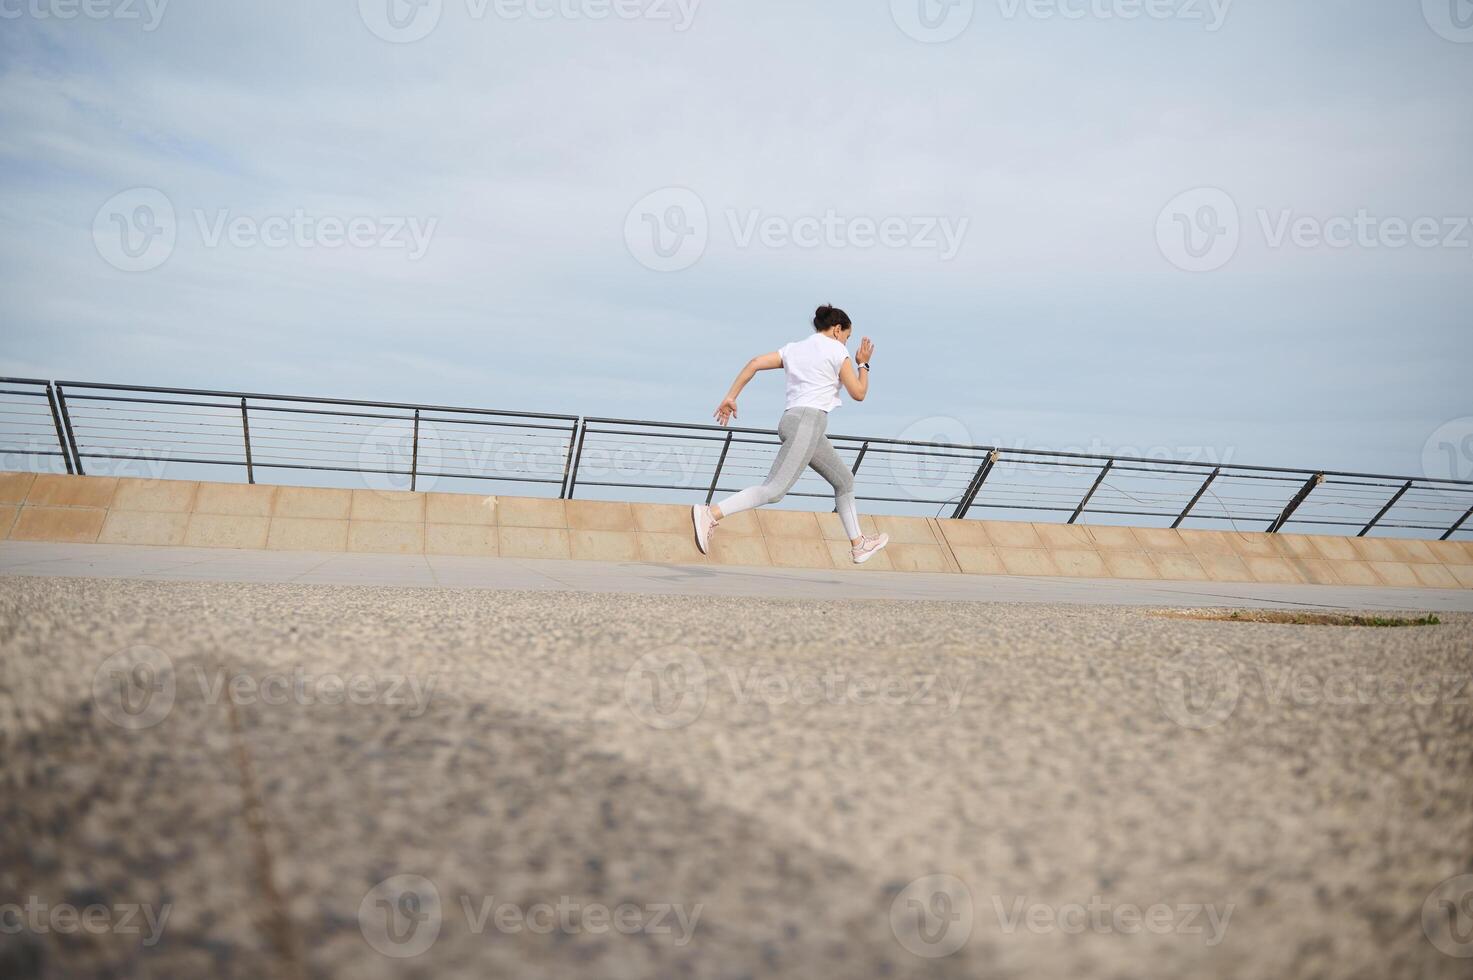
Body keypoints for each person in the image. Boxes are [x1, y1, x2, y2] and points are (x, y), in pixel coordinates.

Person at [692, 305, 890, 564]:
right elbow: (859, 393)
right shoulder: (836, 350)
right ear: (837, 329)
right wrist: (863, 364)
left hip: (796, 421)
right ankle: (711, 513)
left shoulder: (794, 348)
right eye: (847, 336)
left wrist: (731, 396)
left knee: (844, 481)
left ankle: (859, 544)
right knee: (773, 490)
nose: (846, 342)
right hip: (808, 422)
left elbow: (754, 363)